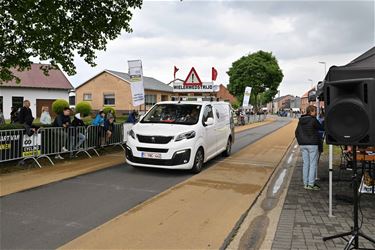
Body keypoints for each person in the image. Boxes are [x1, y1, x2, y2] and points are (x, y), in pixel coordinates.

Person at [295, 105, 323, 191]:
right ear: (311, 112)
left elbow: (296, 132)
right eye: (315, 111)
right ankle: (311, 184)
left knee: (305, 164)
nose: (316, 113)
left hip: (303, 144)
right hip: (312, 144)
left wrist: (300, 141)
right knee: (313, 164)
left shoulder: (300, 121)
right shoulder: (313, 120)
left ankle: (305, 183)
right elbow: (321, 128)